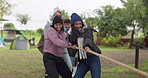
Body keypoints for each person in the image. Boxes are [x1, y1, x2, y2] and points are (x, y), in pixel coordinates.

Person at [70, 13, 102, 78]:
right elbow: (71, 53)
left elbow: (88, 38)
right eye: (76, 24)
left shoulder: (87, 30)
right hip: (83, 61)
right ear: (73, 25)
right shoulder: (71, 36)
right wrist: (73, 48)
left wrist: (87, 46)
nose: (78, 25)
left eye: (80, 23)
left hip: (93, 59)